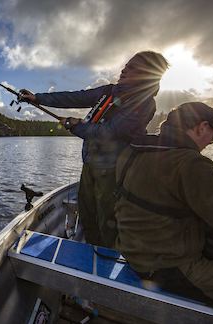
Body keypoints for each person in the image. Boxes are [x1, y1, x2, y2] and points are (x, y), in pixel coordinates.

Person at [114, 102, 213, 319]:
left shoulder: (133, 153)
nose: (210, 144)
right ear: (202, 127)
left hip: (134, 252)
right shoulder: (189, 163)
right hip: (169, 266)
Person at [19, 51, 169, 248]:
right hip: (90, 165)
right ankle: (89, 257)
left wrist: (75, 125)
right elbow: (75, 98)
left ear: (148, 73)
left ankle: (106, 265)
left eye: (132, 67)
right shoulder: (110, 91)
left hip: (113, 172)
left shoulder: (145, 103)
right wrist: (37, 98)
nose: (124, 69)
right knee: (88, 216)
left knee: (107, 222)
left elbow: (111, 132)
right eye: (126, 65)